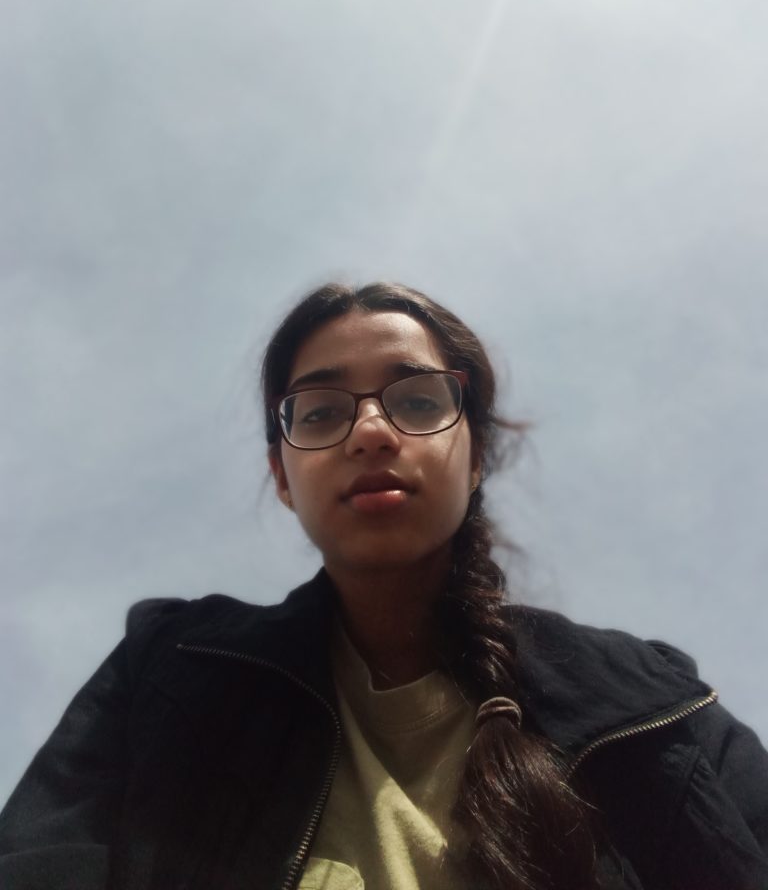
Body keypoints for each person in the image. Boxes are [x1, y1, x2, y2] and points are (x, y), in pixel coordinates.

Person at [0, 281, 766, 890]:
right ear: (282, 476)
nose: (370, 431)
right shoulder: (169, 669)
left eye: (418, 401)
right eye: (320, 412)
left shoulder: (649, 697)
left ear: (475, 456)